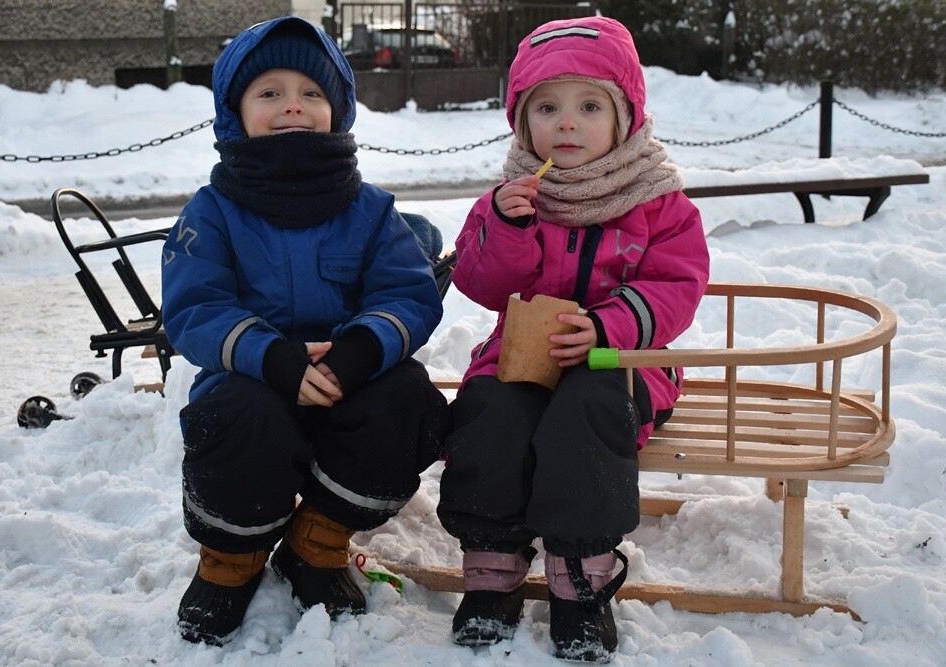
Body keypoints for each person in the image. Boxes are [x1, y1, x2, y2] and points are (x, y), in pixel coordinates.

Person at [161, 16, 448, 646]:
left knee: (408, 398)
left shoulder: (370, 210)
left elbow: (407, 291)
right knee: (237, 417)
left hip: (348, 382)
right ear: (235, 113)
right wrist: (273, 359)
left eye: (311, 93)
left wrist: (360, 351)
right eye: (269, 92)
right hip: (256, 383)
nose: (293, 103)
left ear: (337, 110)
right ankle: (229, 563)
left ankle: (317, 543)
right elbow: (194, 306)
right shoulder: (210, 211)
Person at [436, 16, 710, 663]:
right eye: (548, 107)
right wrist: (503, 224)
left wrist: (609, 325)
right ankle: (493, 569)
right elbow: (479, 279)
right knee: (491, 414)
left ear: (626, 117)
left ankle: (581, 580)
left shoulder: (656, 199)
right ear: (522, 121)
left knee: (585, 412)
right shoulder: (514, 196)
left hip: (623, 360)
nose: (567, 122)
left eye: (590, 106)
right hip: (523, 354)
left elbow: (679, 281)